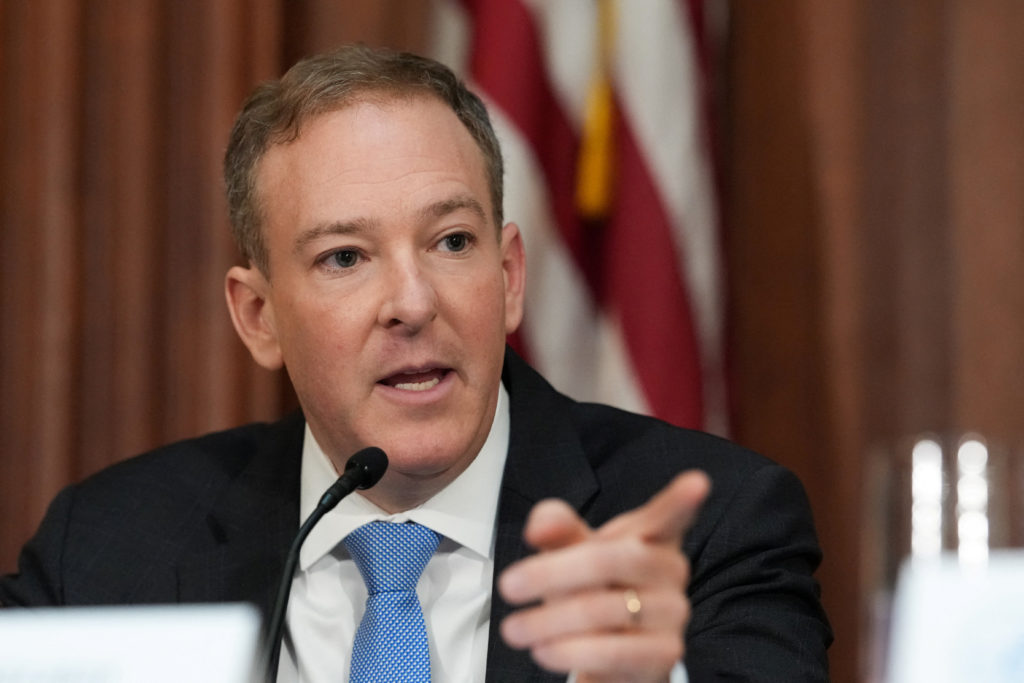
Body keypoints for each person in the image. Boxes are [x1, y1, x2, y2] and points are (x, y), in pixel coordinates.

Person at [0, 46, 831, 682]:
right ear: (259, 317)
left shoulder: (715, 531)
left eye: (451, 241)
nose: (412, 301)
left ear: (509, 277)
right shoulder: (107, 550)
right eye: (345, 257)